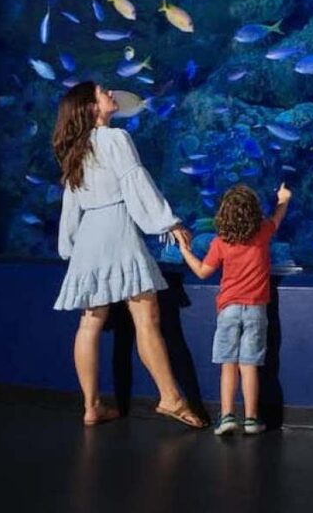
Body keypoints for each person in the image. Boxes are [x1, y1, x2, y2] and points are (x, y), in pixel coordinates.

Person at [53, 82, 206, 428]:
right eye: (102, 92)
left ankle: (91, 406)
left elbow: (71, 205)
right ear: (92, 108)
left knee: (90, 322)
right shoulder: (115, 139)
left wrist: (70, 247)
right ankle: (170, 397)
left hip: (89, 238)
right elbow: (136, 183)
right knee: (146, 318)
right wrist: (168, 222)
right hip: (117, 230)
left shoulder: (75, 151)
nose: (111, 93)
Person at [178, 182, 291, 437]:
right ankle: (251, 419)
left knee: (228, 364)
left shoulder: (220, 242)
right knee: (250, 365)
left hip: (228, 309)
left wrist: (185, 250)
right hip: (256, 310)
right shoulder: (262, 232)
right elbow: (278, 216)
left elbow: (203, 271)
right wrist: (283, 198)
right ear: (254, 213)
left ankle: (227, 416)